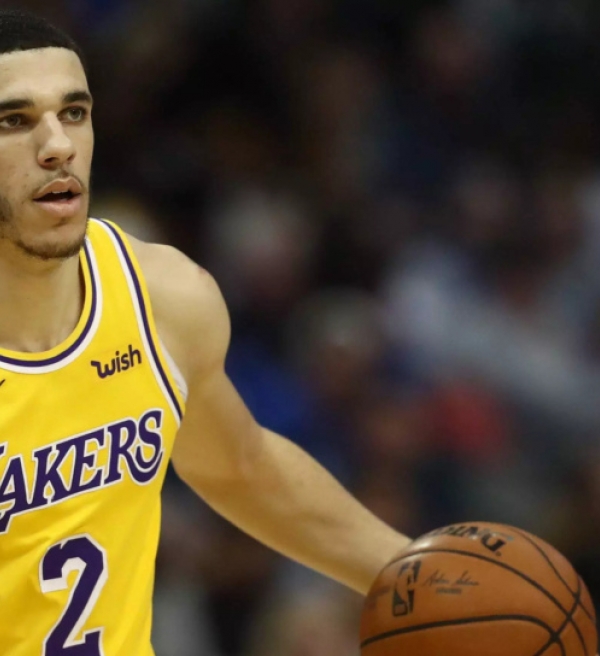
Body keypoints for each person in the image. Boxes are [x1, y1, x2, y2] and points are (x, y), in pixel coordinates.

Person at [0, 9, 411, 655]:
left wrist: (416, 574)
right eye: (14, 120)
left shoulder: (162, 297)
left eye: (74, 112)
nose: (58, 146)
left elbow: (240, 468)